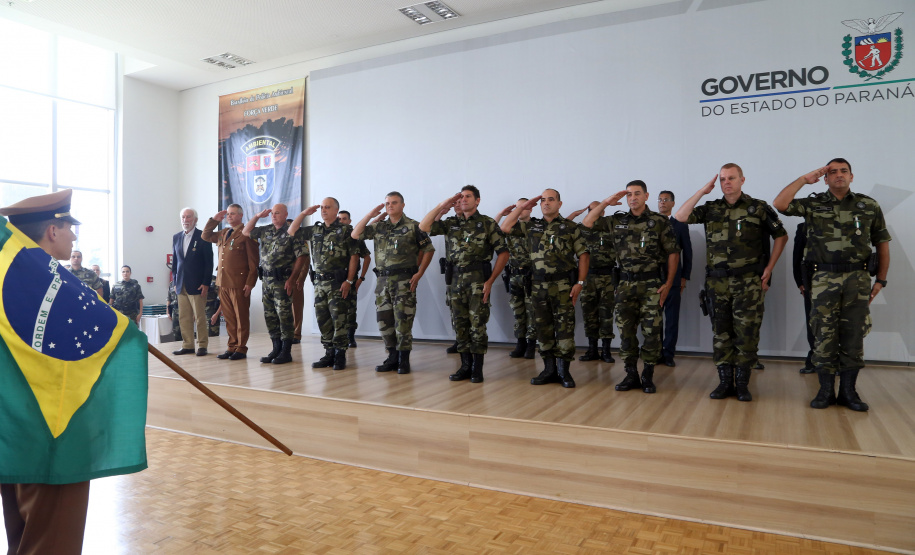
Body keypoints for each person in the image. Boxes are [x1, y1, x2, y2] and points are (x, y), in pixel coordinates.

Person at [0, 189, 145, 555]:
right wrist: (123, 331)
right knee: (52, 541)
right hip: (56, 432)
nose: (74, 237)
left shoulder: (14, 274)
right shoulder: (52, 286)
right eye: (69, 228)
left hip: (15, 430)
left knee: (23, 536)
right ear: (52, 230)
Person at [773, 158, 890, 411]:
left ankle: (849, 392)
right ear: (825, 178)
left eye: (843, 171)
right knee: (823, 335)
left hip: (857, 280)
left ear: (851, 176)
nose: (839, 175)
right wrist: (805, 179)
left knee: (854, 335)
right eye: (832, 172)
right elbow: (780, 203)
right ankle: (825, 391)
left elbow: (882, 243)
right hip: (823, 279)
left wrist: (880, 279)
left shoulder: (868, 205)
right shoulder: (814, 203)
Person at [675, 164, 787, 402]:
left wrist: (769, 268)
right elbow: (680, 216)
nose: (727, 182)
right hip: (717, 283)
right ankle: (725, 382)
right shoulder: (711, 208)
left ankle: (743, 384)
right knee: (721, 334)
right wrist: (702, 192)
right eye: (723, 179)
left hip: (748, 282)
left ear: (742, 180)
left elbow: (781, 235)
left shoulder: (758, 207)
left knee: (747, 334)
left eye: (732, 178)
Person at [584, 181, 680, 394]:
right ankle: (630, 374)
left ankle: (647, 375)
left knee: (651, 332)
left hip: (651, 284)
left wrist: (669, 283)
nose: (633, 198)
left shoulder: (659, 221)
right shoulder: (617, 220)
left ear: (646, 196)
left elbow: (673, 252)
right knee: (626, 332)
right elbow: (588, 222)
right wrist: (607, 202)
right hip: (625, 284)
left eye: (637, 194)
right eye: (629, 195)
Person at [501, 189, 589, 388]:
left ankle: (563, 371)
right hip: (538, 285)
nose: (546, 203)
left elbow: (583, 255)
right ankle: (548, 369)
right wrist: (522, 207)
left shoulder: (570, 227)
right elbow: (506, 227)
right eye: (543, 200)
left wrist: (580, 283)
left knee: (564, 330)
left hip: (563, 285)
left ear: (559, 203)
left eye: (551, 199)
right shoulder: (531, 226)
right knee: (543, 329)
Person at [421, 186, 509, 383]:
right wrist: (442, 206)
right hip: (455, 281)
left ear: (477, 200)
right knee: (459, 325)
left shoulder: (487, 223)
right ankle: (465, 366)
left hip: (478, 281)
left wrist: (491, 280)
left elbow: (503, 253)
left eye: (468, 196)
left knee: (477, 325)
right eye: (460, 197)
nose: (463, 200)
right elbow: (424, 227)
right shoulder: (451, 223)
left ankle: (477, 368)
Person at [352, 192, 435, 374]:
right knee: (384, 321)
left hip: (404, 281)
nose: (390, 206)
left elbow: (428, 249)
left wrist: (419, 273)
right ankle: (392, 357)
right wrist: (369, 216)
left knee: (403, 321)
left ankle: (403, 360)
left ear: (402, 205)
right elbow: (355, 233)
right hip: (382, 281)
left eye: (394, 202)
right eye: (387, 203)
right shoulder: (378, 227)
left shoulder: (414, 226)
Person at [289, 198, 359, 370]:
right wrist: (304, 214)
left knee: (339, 319)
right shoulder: (315, 230)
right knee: (323, 320)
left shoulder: (346, 230)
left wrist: (349, 280)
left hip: (337, 282)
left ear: (336, 210)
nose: (323, 210)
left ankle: (340, 355)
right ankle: (329, 353)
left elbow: (354, 256)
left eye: (327, 207)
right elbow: (292, 231)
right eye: (322, 207)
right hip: (319, 283)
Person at [243, 203, 308, 365]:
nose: (273, 216)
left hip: (283, 281)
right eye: (272, 213)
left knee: (284, 316)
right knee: (270, 316)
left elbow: (303, 256)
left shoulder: (292, 231)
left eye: (277, 213)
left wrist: (293, 279)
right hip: (266, 281)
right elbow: (246, 232)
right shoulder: (266, 230)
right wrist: (257, 216)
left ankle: (286, 351)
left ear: (286, 214)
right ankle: (276, 348)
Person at [202, 204, 260, 360]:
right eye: (228, 214)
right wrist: (214, 220)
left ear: (241, 216)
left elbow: (254, 261)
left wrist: (250, 282)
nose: (229, 216)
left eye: (233, 214)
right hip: (223, 282)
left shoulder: (247, 233)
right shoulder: (224, 233)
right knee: (229, 317)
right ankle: (231, 346)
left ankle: (241, 348)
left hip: (239, 282)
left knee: (241, 317)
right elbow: (205, 236)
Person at [570, 201, 618, 364]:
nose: (594, 212)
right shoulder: (581, 229)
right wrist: (575, 213)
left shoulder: (611, 228)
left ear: (603, 212)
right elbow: (564, 226)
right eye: (590, 210)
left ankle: (605, 351)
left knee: (606, 314)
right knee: (589, 313)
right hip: (587, 277)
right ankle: (592, 349)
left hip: (607, 277)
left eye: (598, 210)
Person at [495, 199, 537, 359]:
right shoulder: (509, 226)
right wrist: (500, 214)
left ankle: (531, 345)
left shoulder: (536, 226)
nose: (521, 210)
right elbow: (494, 231)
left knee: (531, 311)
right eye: (518, 207)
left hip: (531, 275)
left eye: (524, 207)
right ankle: (520, 343)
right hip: (514, 274)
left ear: (531, 209)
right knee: (517, 310)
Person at [657, 191, 693, 367]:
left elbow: (688, 252)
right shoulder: (652, 223)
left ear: (672, 203)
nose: (662, 203)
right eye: (660, 200)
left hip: (674, 279)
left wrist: (685, 276)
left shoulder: (679, 224)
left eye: (666, 200)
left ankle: (668, 354)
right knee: (653, 320)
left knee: (671, 319)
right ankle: (655, 353)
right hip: (654, 279)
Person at [171, 207, 213, 357]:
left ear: (195, 220)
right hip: (181, 284)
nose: (185, 220)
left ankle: (202, 345)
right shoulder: (176, 237)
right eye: (183, 217)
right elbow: (175, 263)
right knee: (184, 317)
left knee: (200, 317)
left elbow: (209, 263)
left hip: (197, 284)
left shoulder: (203, 236)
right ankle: (188, 344)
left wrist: (206, 283)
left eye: (188, 217)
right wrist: (175, 281)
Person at [338, 210, 372, 348]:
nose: (341, 221)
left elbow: (367, 257)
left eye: (344, 219)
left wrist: (361, 278)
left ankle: (350, 337)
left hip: (351, 279)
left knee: (350, 310)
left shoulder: (355, 237)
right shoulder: (332, 236)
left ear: (349, 221)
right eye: (339, 219)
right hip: (335, 279)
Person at [792, 222, 815, 374]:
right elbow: (797, 256)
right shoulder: (805, 227)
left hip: (845, 283)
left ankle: (838, 362)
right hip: (812, 284)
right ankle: (814, 359)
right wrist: (800, 282)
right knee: (813, 322)